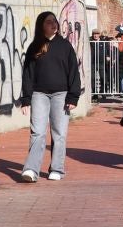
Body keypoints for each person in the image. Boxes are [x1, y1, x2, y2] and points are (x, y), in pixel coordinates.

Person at [18, 11, 80, 182]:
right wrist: (26, 99)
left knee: (59, 133)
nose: (54, 24)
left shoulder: (65, 46)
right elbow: (28, 75)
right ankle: (31, 170)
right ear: (41, 26)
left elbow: (74, 72)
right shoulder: (34, 47)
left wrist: (73, 97)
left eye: (55, 21)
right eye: (49, 22)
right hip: (39, 95)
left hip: (61, 95)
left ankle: (57, 169)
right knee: (37, 132)